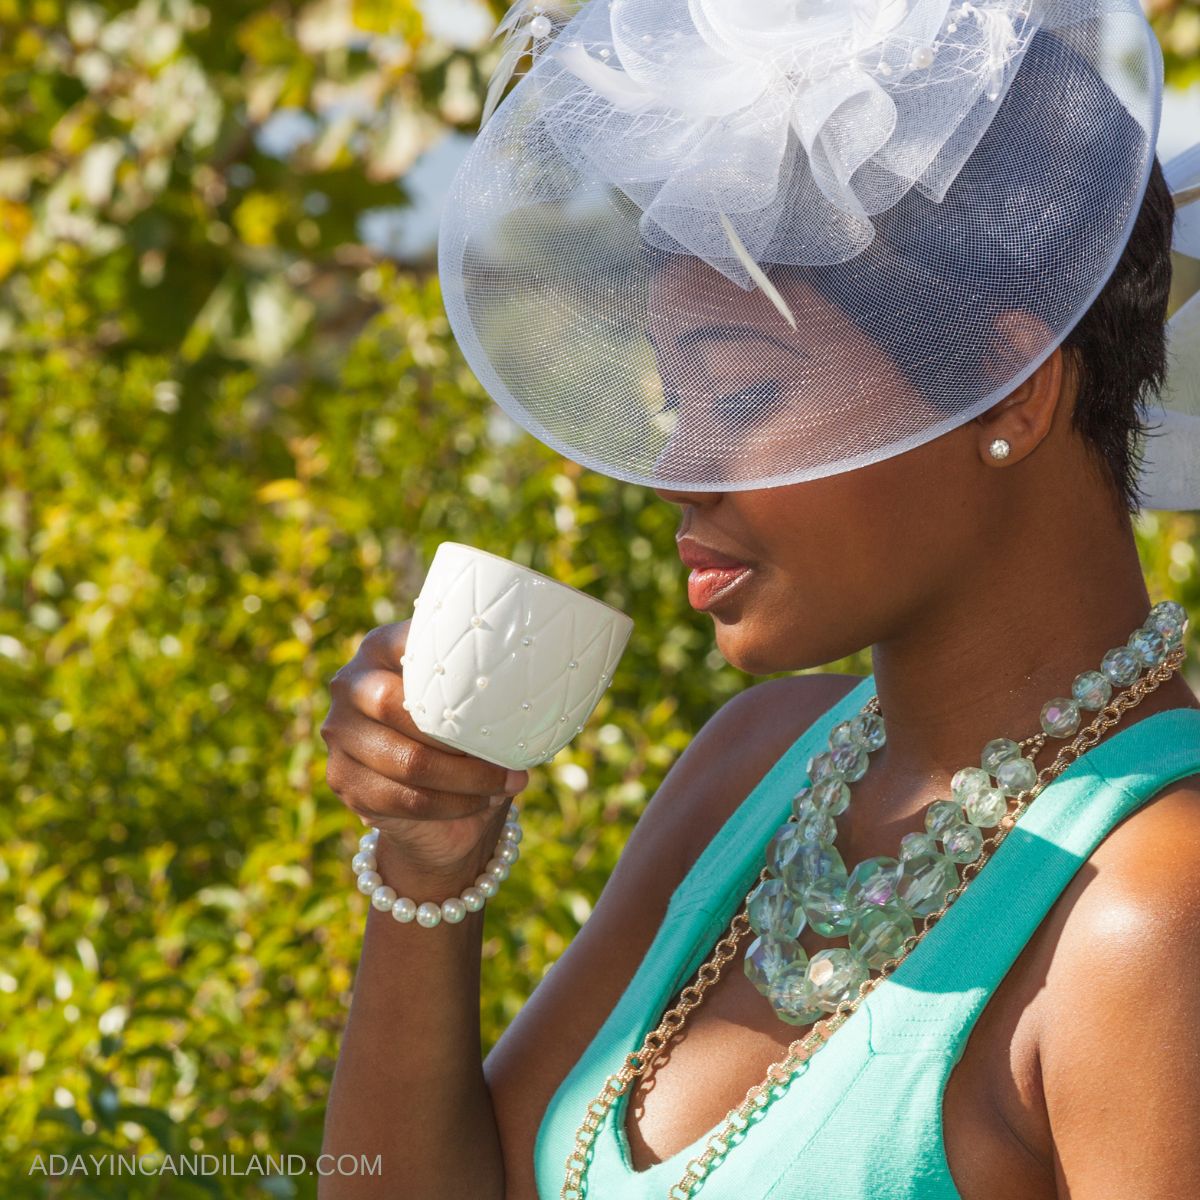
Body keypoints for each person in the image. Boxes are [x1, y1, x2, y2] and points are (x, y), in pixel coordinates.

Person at [318, 1, 1200, 1197]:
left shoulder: (1155, 912)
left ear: (1004, 394)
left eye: (736, 399)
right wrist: (430, 862)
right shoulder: (761, 763)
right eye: (675, 408)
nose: (673, 473)